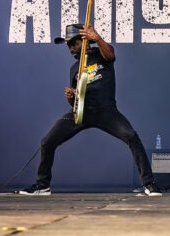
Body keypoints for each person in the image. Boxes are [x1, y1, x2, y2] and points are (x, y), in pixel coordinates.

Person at [18, 23, 162, 196]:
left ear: (84, 41)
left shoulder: (101, 53)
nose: (71, 48)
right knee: (47, 142)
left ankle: (149, 183)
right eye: (68, 45)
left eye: (74, 43)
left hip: (106, 111)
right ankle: (42, 186)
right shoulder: (74, 69)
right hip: (83, 112)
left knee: (131, 136)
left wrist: (97, 38)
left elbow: (111, 55)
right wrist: (71, 98)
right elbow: (76, 103)